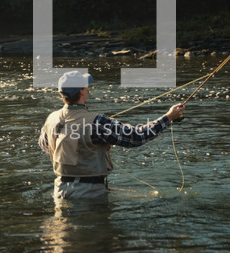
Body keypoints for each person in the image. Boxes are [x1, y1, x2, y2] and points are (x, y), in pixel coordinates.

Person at [38, 71, 186, 200]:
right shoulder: (97, 122)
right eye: (86, 86)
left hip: (60, 191)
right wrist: (168, 118)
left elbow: (46, 146)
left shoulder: (51, 118)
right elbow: (136, 137)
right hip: (90, 194)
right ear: (82, 92)